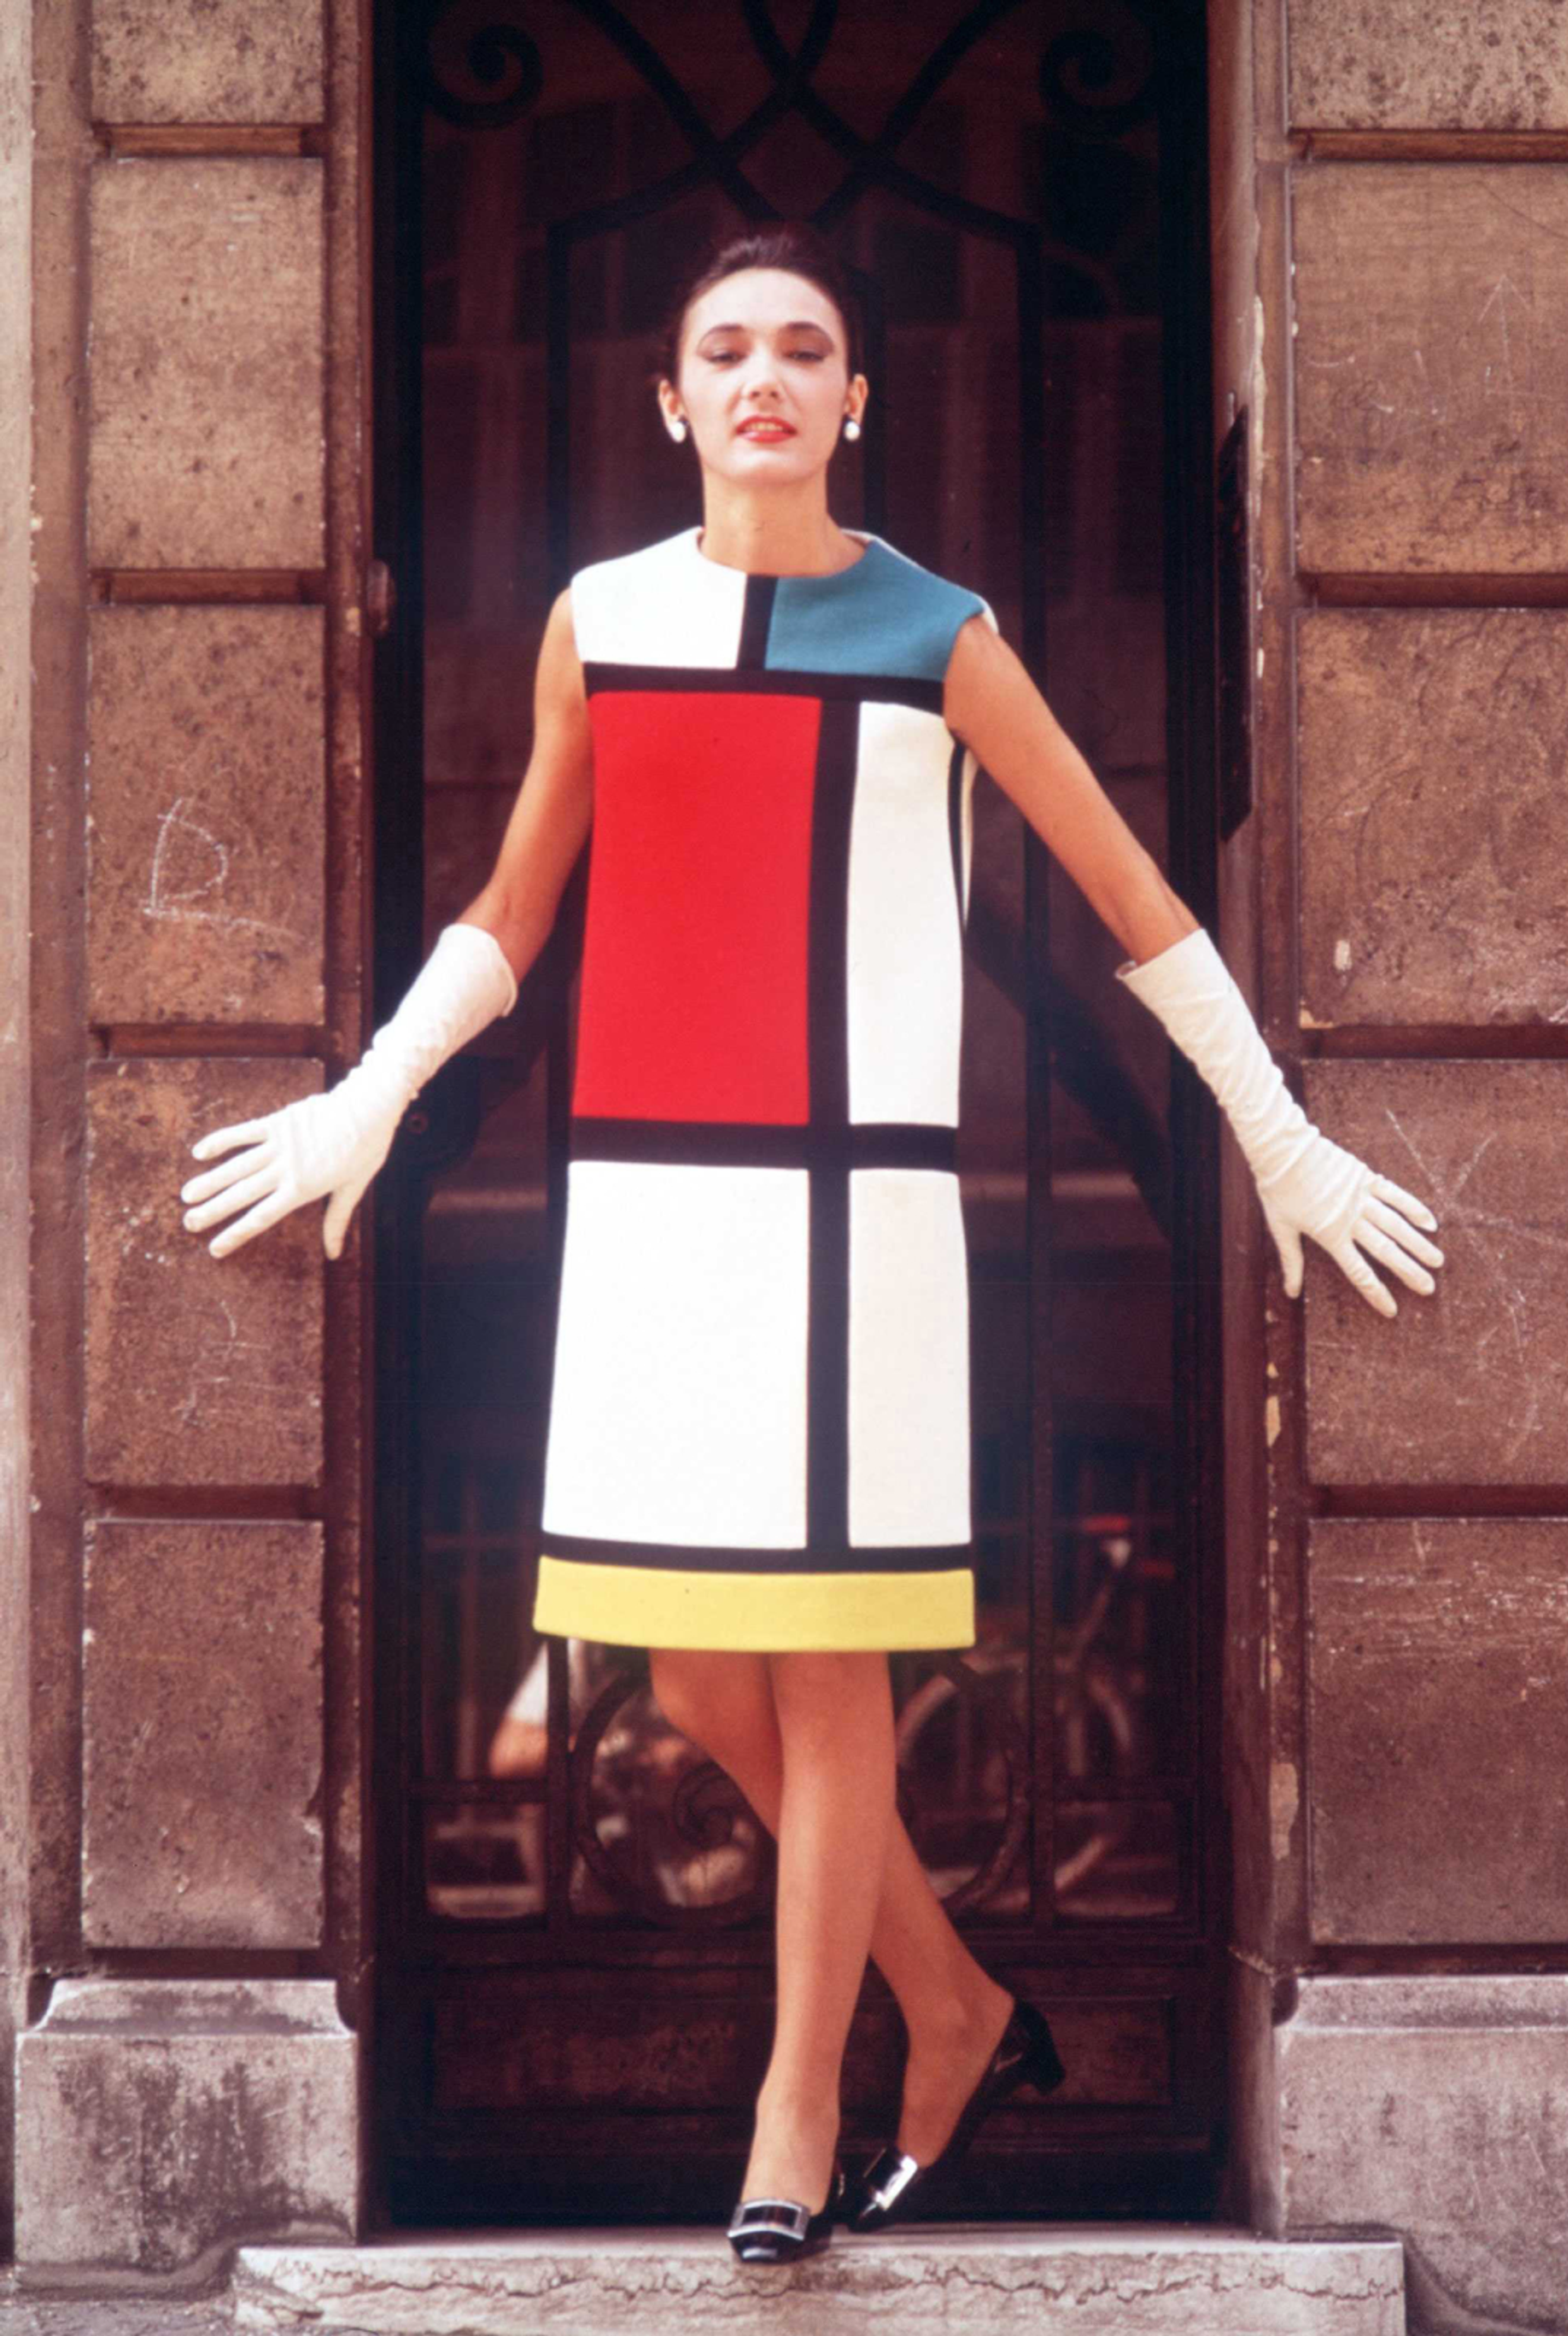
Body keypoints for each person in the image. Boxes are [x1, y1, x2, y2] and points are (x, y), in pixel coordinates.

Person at [175, 223, 1444, 2263]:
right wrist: (368, 1097)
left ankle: (801, 2104)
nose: (766, 378)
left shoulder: (942, 633)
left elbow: (1134, 899)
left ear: (860, 400)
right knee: (690, 1670)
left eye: (807, 350)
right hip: (653, 1208)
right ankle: (954, 2002)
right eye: (727, 351)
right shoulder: (600, 621)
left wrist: (1277, 1137)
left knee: (833, 1661)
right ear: (673, 403)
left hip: (862, 1205)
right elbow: (516, 911)